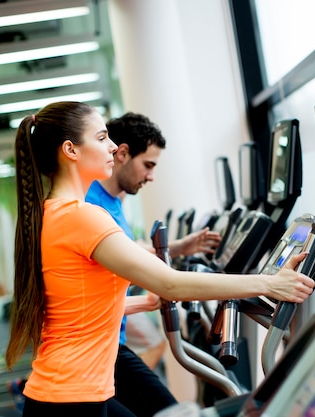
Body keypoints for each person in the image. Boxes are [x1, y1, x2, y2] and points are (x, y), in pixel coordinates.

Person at [5, 101, 315, 417]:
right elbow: (172, 283)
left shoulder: (52, 214)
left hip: (68, 390)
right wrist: (271, 284)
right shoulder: (82, 217)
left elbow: (74, 310)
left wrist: (144, 303)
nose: (112, 147)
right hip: (70, 399)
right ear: (70, 150)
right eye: (101, 138)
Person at [85, 112, 222, 416]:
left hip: (110, 343)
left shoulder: (114, 199)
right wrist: (267, 284)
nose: (151, 176)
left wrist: (177, 246)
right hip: (96, 350)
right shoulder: (90, 204)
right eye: (148, 165)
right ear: (122, 153)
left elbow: (125, 250)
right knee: (168, 410)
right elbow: (130, 263)